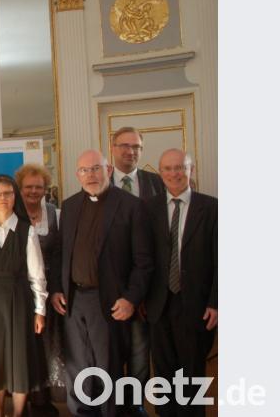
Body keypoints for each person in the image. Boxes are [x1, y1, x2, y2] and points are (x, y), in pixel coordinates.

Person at [50, 150, 153, 416]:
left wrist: (131, 298)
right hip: (73, 301)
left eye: (96, 168)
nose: (90, 175)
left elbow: (144, 261)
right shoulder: (70, 206)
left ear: (108, 170)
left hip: (108, 301)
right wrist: (58, 289)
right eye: (84, 170)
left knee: (108, 368)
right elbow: (60, 252)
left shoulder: (131, 206)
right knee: (78, 367)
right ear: (77, 175)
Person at [145, 149, 217, 417]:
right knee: (164, 374)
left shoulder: (212, 208)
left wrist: (216, 302)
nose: (174, 173)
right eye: (168, 169)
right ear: (160, 173)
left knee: (192, 372)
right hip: (158, 305)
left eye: (180, 168)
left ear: (191, 170)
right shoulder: (148, 208)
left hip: (196, 305)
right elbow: (143, 258)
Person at [0, 174, 47, 417]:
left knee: (20, 360)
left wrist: (40, 310)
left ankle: (18, 414)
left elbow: (36, 274)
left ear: (14, 196)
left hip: (20, 301)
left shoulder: (26, 231)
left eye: (8, 193)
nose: (3, 198)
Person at [109, 126, 164, 417]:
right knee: (113, 352)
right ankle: (115, 404)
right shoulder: (99, 181)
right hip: (110, 286)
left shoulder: (156, 183)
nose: (131, 152)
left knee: (141, 353)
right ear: (113, 147)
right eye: (124, 146)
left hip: (146, 285)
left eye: (137, 147)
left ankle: (135, 404)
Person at [15, 164, 63, 417]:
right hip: (20, 293)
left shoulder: (55, 214)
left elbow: (62, 255)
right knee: (23, 347)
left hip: (49, 292)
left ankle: (43, 400)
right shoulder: (10, 214)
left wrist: (56, 290)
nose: (34, 191)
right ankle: (22, 398)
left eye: (39, 187)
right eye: (28, 187)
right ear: (19, 189)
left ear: (46, 189)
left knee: (46, 347)